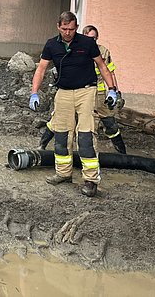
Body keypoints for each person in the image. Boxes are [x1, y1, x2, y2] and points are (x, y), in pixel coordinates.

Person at [29, 12, 119, 197]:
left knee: (85, 136)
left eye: (71, 29)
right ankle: (63, 173)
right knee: (61, 135)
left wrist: (112, 89)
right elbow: (41, 69)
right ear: (58, 27)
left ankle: (91, 180)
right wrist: (34, 93)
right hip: (63, 93)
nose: (67, 33)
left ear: (76, 27)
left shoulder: (87, 43)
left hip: (86, 92)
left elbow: (102, 66)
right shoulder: (51, 44)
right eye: (64, 29)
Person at [36, 25, 127, 154]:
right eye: (90, 38)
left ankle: (122, 153)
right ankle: (42, 145)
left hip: (100, 96)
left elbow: (110, 72)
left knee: (109, 123)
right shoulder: (77, 47)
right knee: (58, 120)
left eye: (95, 38)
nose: (92, 41)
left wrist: (115, 91)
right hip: (78, 91)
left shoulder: (103, 51)